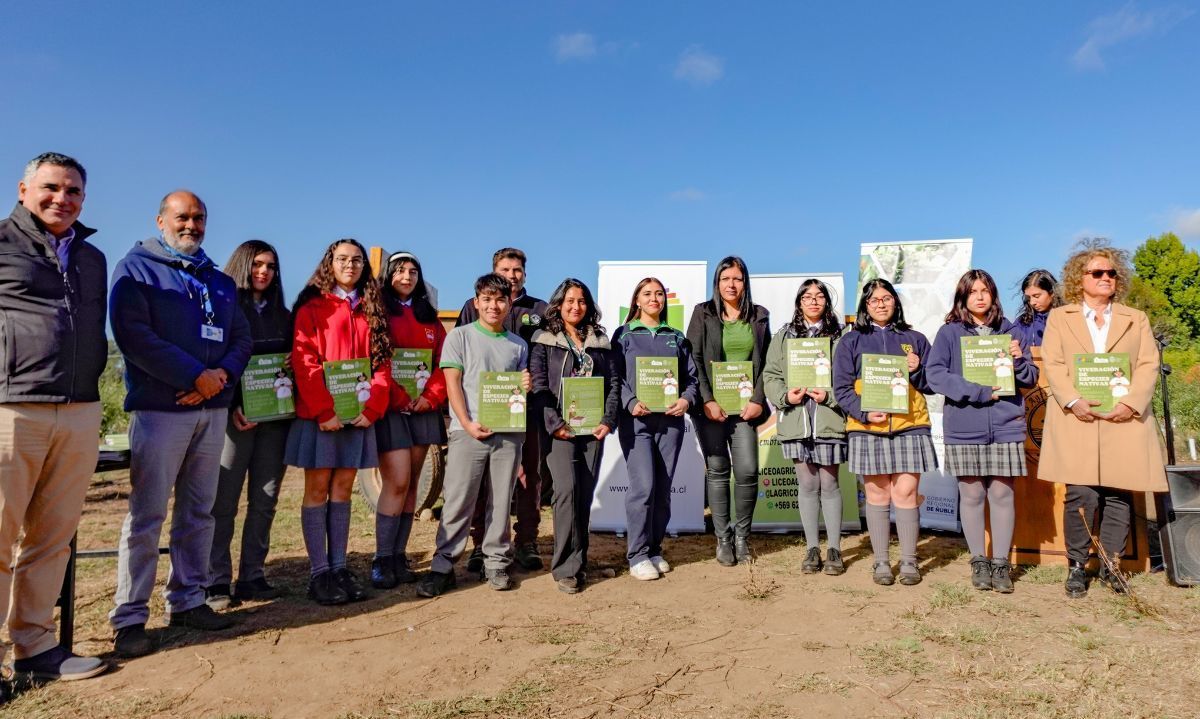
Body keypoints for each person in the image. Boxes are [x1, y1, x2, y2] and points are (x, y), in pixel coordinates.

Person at [109, 190, 252, 658]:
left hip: (210, 414)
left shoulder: (220, 281)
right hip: (160, 409)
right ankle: (130, 616)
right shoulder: (135, 270)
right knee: (147, 515)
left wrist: (220, 379)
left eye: (199, 218)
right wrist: (194, 376)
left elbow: (241, 338)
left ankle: (188, 599)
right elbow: (134, 336)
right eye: (182, 217)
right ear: (161, 220)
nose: (191, 225)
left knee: (199, 511)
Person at [0, 152, 109, 687]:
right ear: (23, 189)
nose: (61, 199)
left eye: (72, 191)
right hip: (12, 407)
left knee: (53, 537)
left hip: (80, 408)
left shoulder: (92, 258)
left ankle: (36, 648)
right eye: (50, 188)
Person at [1037, 243, 1167, 598]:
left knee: (1118, 494)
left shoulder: (1134, 318)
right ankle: (1077, 567)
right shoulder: (1059, 318)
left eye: (1111, 273)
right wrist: (1073, 400)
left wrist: (1131, 403)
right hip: (1076, 417)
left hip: (1122, 418)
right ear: (1080, 279)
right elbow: (1054, 363)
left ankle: (1111, 564)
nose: (1106, 278)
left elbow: (1147, 364)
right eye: (1097, 273)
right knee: (1080, 494)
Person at [287, 239, 391, 605]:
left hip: (359, 417)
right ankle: (319, 575)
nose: (350, 265)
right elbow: (304, 360)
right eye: (343, 259)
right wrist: (324, 410)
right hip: (322, 418)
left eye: (357, 260)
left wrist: (373, 407)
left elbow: (382, 363)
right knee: (317, 489)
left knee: (344, 488)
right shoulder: (311, 306)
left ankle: (339, 566)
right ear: (329, 262)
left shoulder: (372, 308)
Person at [417, 273, 532, 596]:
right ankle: (443, 565)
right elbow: (452, 383)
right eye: (487, 299)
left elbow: (516, 392)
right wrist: (466, 423)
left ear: (509, 303)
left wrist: (525, 387)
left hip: (507, 433)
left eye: (500, 300)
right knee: (457, 500)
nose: (493, 306)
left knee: (500, 499)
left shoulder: (518, 345)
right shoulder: (460, 337)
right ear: (476, 302)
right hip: (468, 432)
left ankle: (496, 562)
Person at [926, 269, 1038, 594]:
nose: (979, 296)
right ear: (963, 297)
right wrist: (976, 391)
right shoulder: (949, 333)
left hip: (1005, 426)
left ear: (993, 295)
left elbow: (1030, 376)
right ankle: (978, 560)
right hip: (964, 427)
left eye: (985, 290)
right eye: (972, 291)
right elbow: (935, 375)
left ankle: (1001, 563)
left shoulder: (1012, 330)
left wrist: (1018, 360)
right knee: (972, 495)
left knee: (1002, 494)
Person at [206, 240, 293, 611]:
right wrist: (231, 407)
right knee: (223, 502)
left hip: (275, 421)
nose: (264, 272)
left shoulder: (284, 316)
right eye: (257, 264)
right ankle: (215, 581)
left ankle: (253, 576)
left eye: (271, 267)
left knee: (266, 498)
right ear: (242, 266)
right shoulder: (222, 310)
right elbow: (213, 360)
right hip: (235, 419)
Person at [833, 279, 934, 587]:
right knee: (877, 494)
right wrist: (864, 412)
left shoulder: (915, 338)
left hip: (910, 425)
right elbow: (841, 388)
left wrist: (917, 368)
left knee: (904, 493)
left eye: (887, 298)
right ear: (865, 305)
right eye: (874, 299)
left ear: (895, 302)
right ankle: (880, 563)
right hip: (867, 427)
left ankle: (908, 562)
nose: (881, 303)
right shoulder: (850, 341)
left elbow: (932, 383)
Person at [456, 248, 549, 573]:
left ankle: (526, 542)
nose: (512, 274)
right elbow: (462, 356)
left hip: (529, 408)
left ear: (524, 273)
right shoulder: (473, 306)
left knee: (530, 478)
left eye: (517, 270)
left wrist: (533, 385)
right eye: (505, 269)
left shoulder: (540, 309)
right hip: (484, 409)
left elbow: (546, 356)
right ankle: (480, 545)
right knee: (482, 480)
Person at [529, 278, 621, 594]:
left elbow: (613, 385)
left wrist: (608, 420)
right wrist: (555, 423)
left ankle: (579, 562)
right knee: (566, 491)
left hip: (593, 430)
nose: (575, 306)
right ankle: (564, 568)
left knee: (583, 494)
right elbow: (539, 387)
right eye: (569, 300)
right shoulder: (544, 340)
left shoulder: (600, 341)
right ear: (558, 304)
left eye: (581, 301)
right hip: (560, 431)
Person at [686, 256, 771, 566]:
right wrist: (707, 399)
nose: (731, 285)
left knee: (748, 470)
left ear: (745, 282)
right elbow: (693, 357)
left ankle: (742, 537)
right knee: (718, 470)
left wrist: (758, 399)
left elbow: (767, 362)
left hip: (745, 409)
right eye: (725, 279)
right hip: (711, 409)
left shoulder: (759, 316)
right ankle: (723, 539)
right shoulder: (703, 313)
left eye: (737, 279)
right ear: (717, 283)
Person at [614, 277, 700, 581]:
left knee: (663, 491)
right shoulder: (623, 335)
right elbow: (615, 376)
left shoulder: (675, 337)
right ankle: (636, 555)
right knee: (644, 488)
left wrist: (686, 401)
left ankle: (653, 548)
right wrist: (630, 401)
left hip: (671, 423)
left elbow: (692, 378)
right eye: (647, 293)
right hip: (637, 422)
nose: (654, 298)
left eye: (659, 294)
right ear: (636, 299)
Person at [371, 251, 447, 589]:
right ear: (388, 276)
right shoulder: (378, 313)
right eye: (400, 270)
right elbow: (376, 358)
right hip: (391, 408)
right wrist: (401, 398)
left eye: (413, 271)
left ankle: (399, 556)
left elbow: (444, 363)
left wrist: (430, 396)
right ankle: (381, 558)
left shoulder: (428, 318)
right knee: (397, 481)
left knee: (414, 484)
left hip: (422, 409)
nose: (407, 276)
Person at [762, 279, 848, 576]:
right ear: (799, 302)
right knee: (808, 485)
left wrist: (831, 397)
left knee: (830, 484)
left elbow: (849, 377)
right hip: (797, 422)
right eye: (807, 296)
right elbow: (771, 374)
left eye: (819, 296)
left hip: (828, 420)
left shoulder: (841, 336)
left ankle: (834, 548)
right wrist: (786, 396)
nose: (813, 301)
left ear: (827, 301)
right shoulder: (784, 336)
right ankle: (812, 547)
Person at [1012, 269, 1062, 348]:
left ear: (1052, 292)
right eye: (1028, 297)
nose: (1032, 302)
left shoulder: (1069, 318)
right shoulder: (1021, 323)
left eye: (1036, 296)